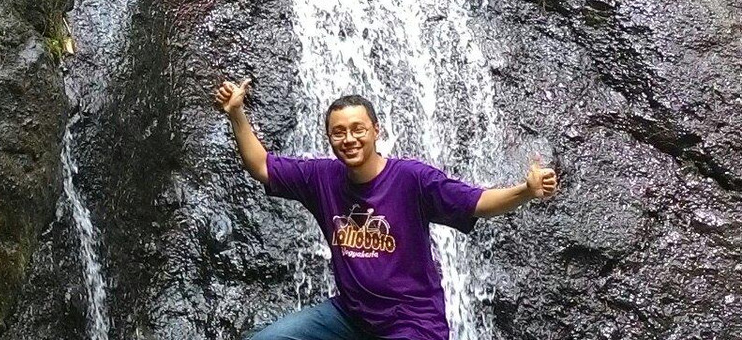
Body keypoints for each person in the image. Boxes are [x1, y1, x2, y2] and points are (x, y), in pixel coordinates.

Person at [214, 79, 559, 340]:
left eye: (357, 129)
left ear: (376, 131)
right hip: (351, 315)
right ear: (329, 138)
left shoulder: (412, 179)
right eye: (338, 132)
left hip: (412, 321)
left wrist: (526, 190)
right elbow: (261, 165)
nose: (349, 139)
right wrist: (237, 114)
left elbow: (479, 202)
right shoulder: (321, 177)